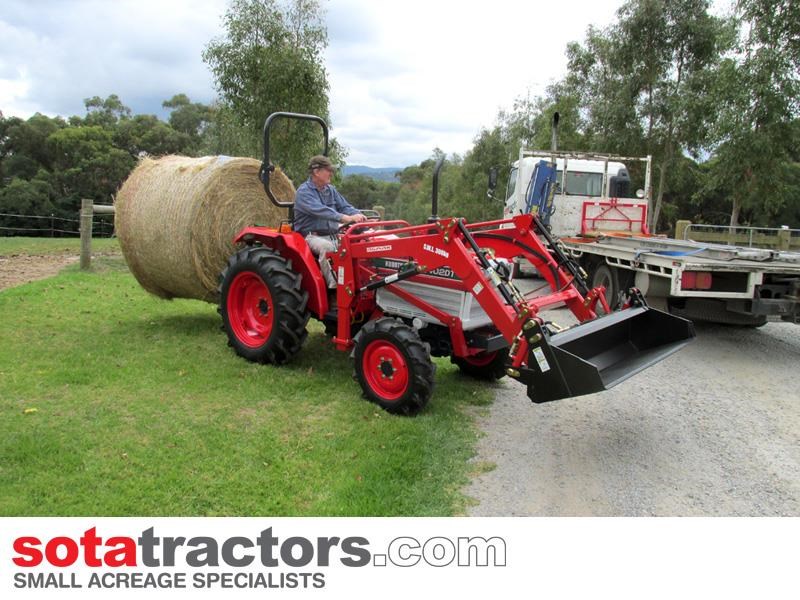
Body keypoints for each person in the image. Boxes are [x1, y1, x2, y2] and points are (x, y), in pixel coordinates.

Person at [293, 155, 366, 288]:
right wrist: (345, 218)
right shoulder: (303, 192)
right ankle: (335, 289)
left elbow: (344, 206)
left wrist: (359, 215)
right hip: (311, 236)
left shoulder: (330, 190)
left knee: (357, 244)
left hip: (332, 234)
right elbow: (321, 210)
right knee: (327, 248)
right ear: (316, 171)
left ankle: (360, 282)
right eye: (328, 170)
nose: (331, 173)